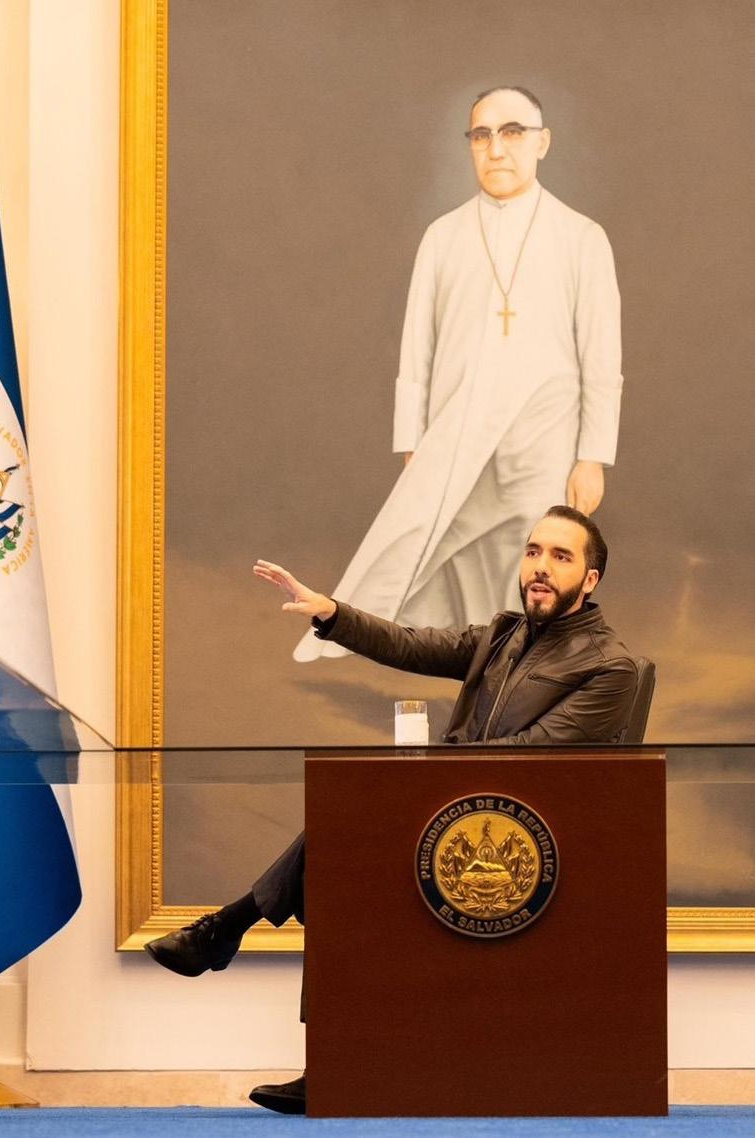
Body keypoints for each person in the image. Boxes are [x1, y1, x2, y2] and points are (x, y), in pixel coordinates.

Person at [146, 506, 641, 1113]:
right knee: (340, 849)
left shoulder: (610, 667)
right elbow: (410, 644)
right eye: (533, 551)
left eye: (561, 556)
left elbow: (526, 757)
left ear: (590, 579)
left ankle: (230, 929)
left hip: (529, 850)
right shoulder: (502, 637)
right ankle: (323, 1053)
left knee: (348, 822)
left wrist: (420, 781)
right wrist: (331, 613)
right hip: (456, 817)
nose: (540, 567)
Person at [294, 85, 623, 662]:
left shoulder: (582, 238)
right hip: (458, 432)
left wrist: (592, 454)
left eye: (513, 132)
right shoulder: (442, 237)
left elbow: (601, 356)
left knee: (528, 566)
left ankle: (519, 683)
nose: (496, 148)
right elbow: (417, 347)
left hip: (543, 436)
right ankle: (474, 678)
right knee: (454, 563)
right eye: (482, 135)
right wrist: (413, 440)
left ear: (542, 142)